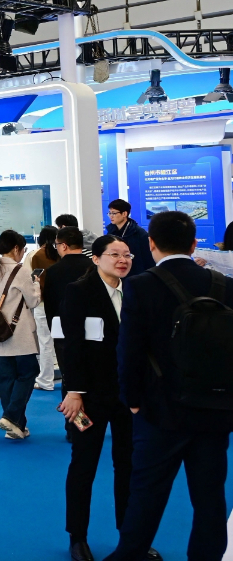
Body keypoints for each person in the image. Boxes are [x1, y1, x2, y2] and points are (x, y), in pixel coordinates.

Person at [103, 211, 233, 561]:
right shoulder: (224, 285)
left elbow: (129, 349)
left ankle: (130, 555)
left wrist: (131, 399)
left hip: (159, 409)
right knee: (210, 498)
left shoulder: (141, 285)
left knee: (146, 494)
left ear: (151, 244)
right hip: (215, 409)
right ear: (194, 244)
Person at [58, 235, 143, 561]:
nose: (122, 260)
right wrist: (74, 392)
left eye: (127, 255)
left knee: (129, 466)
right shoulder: (79, 291)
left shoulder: (134, 290)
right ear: (96, 258)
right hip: (89, 398)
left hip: (128, 397)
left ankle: (129, 536)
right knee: (84, 465)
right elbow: (71, 344)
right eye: (114, 254)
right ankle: (77, 537)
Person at [0, 230, 41, 440]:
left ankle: (16, 427)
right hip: (19, 333)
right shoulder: (20, 270)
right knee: (28, 373)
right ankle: (11, 416)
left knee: (6, 379)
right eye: (23, 250)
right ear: (16, 248)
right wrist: (36, 284)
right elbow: (33, 301)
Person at [42, 226, 93, 378]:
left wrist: (53, 328)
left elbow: (50, 304)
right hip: (93, 329)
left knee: (69, 375)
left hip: (63, 329)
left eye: (56, 245)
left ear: (63, 246)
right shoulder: (94, 267)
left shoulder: (53, 271)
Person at [27, 225, 60, 392]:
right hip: (61, 303)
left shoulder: (36, 255)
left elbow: (29, 279)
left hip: (42, 304)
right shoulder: (60, 254)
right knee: (62, 342)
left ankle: (46, 381)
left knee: (45, 343)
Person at [106, 199, 153, 276]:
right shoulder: (110, 232)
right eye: (109, 213)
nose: (111, 216)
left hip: (136, 275)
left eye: (114, 213)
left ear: (124, 214)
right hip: (117, 274)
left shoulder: (139, 233)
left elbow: (148, 259)